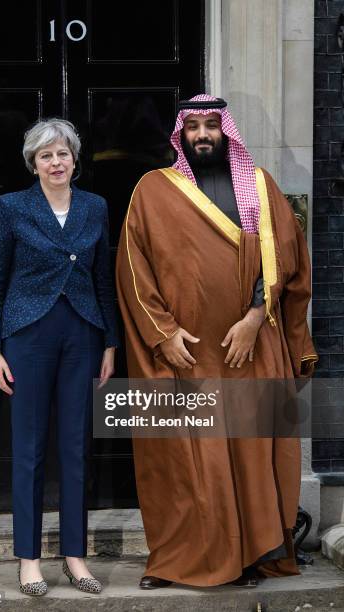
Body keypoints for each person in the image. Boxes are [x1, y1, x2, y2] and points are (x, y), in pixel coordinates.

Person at [115, 94, 318, 589]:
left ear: (226, 131)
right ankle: (174, 560)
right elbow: (132, 268)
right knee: (186, 459)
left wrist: (254, 319)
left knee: (249, 456)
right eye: (194, 127)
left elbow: (286, 257)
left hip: (249, 349)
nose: (203, 134)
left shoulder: (260, 186)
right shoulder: (152, 190)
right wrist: (163, 334)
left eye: (212, 126)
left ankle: (249, 557)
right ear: (180, 135)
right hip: (186, 354)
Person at [0, 118, 118, 596]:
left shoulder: (96, 207)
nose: (55, 163)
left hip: (82, 335)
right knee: (30, 451)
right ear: (33, 163)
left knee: (76, 448)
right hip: (27, 338)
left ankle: (76, 559)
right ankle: (29, 561)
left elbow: (104, 281)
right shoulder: (11, 208)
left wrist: (110, 342)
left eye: (62, 154)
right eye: (46, 156)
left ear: (74, 160)